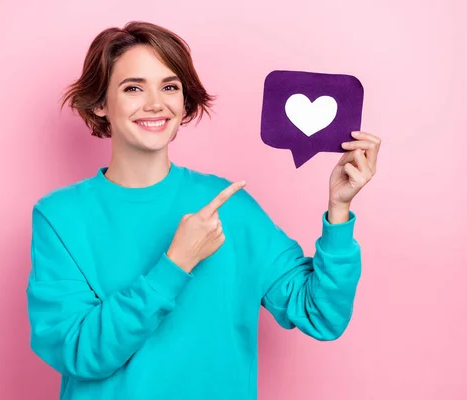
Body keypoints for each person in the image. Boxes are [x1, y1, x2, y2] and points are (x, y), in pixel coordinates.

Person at [26, 21, 381, 400]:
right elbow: (79, 352)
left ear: (183, 102)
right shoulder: (60, 217)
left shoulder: (231, 206)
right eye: (133, 88)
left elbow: (321, 313)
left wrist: (339, 210)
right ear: (100, 103)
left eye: (169, 87)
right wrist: (175, 265)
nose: (155, 104)